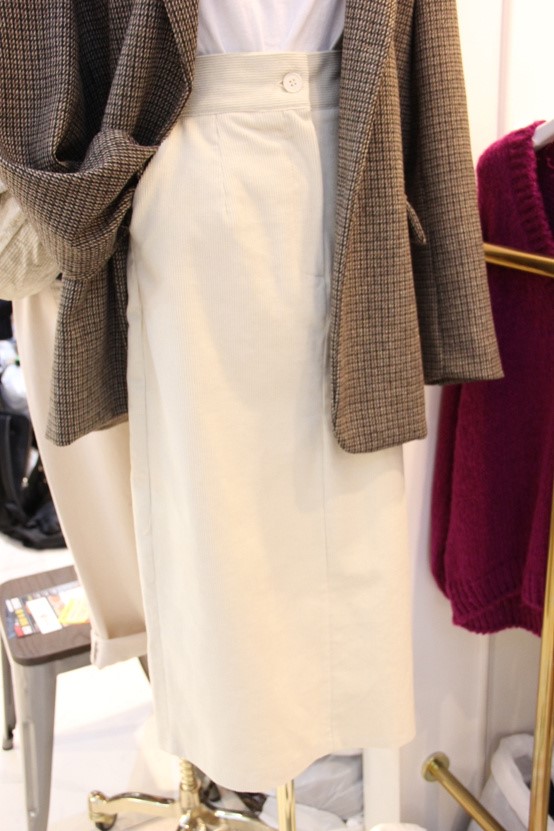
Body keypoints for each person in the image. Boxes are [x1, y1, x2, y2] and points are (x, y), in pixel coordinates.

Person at [0, 0, 502, 792]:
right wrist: (61, 173)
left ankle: (309, 776)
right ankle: (241, 775)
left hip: (356, 169)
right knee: (218, 529)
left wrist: (450, 280)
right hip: (193, 169)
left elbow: (425, 51)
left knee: (348, 529)